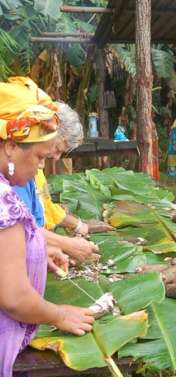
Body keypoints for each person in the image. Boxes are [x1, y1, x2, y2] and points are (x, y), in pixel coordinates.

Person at [0, 99, 95, 376]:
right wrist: (59, 315)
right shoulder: (4, 202)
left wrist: (38, 250)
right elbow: (15, 298)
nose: (41, 166)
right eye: (40, 157)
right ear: (11, 146)